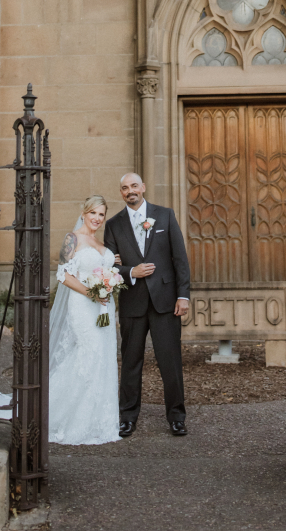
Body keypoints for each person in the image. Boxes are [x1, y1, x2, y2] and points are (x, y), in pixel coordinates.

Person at [104, 173, 191, 438]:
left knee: (170, 362)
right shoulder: (113, 225)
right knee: (131, 362)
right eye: (124, 188)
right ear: (121, 193)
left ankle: (177, 417)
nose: (130, 191)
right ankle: (127, 417)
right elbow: (109, 266)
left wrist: (183, 296)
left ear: (142, 188)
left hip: (165, 302)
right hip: (132, 302)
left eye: (133, 186)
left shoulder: (164, 215)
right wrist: (132, 272)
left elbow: (180, 258)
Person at [49, 195, 120, 445]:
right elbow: (63, 275)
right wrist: (92, 292)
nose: (98, 219)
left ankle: (99, 419)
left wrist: (111, 271)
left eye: (102, 215)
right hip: (83, 305)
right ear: (84, 212)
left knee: (103, 355)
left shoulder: (98, 241)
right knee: (88, 353)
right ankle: (65, 416)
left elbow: (100, 267)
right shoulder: (73, 238)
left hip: (104, 308)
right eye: (94, 213)